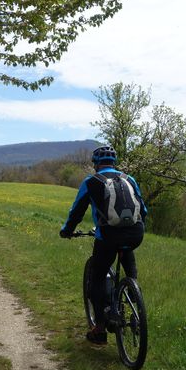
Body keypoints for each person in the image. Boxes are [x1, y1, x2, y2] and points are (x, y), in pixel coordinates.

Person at [59, 145, 148, 345]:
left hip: (108, 237)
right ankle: (133, 293)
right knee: (127, 257)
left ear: (96, 164)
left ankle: (99, 330)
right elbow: (143, 210)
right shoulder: (129, 179)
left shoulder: (91, 181)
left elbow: (76, 212)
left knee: (97, 278)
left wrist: (67, 231)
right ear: (114, 163)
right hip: (135, 234)